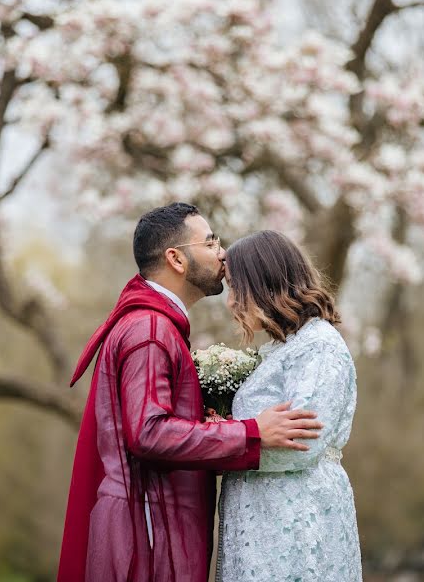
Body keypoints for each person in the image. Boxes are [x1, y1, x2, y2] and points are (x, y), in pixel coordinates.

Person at [58, 204, 324, 582]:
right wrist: (250, 432)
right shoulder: (150, 329)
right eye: (211, 241)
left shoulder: (154, 324)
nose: (223, 252)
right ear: (176, 259)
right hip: (145, 530)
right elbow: (148, 433)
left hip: (151, 520)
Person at [216, 230, 362, 582]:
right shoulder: (283, 348)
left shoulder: (320, 347)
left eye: (236, 288)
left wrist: (224, 443)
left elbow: (302, 444)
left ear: (264, 283)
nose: (230, 301)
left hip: (297, 520)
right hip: (264, 518)